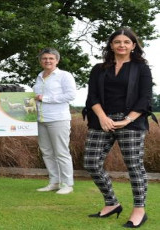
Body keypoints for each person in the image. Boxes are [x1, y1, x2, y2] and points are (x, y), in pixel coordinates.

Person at [83, 28, 156, 228]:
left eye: (126, 42)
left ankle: (139, 210)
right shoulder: (98, 69)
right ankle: (112, 203)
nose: (121, 45)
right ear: (111, 45)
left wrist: (127, 120)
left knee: (134, 166)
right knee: (91, 162)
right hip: (102, 120)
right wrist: (103, 117)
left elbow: (145, 98)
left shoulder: (141, 68)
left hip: (131, 122)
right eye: (117, 42)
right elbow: (92, 98)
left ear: (133, 45)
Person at [33, 48, 77, 195]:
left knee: (61, 152)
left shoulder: (64, 76)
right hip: (41, 119)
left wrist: (45, 99)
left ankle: (67, 184)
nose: (48, 61)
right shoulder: (39, 76)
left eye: (51, 58)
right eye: (44, 58)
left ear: (57, 60)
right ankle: (54, 182)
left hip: (58, 119)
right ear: (40, 61)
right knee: (46, 152)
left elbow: (70, 95)